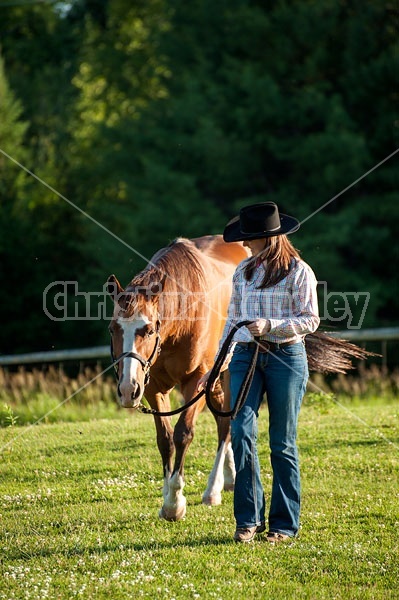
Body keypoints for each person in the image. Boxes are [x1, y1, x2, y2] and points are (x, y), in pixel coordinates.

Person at [197, 202, 320, 543]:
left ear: (269, 238)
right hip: (245, 357)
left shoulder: (299, 271)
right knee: (240, 432)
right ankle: (248, 520)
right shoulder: (243, 272)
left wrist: (270, 325)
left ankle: (283, 525)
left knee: (282, 443)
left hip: (286, 358)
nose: (245, 245)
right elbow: (232, 323)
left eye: (250, 239)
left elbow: (310, 319)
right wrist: (216, 366)